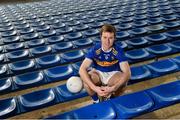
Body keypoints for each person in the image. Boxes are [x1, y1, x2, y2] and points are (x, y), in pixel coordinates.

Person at [79, 24, 131, 103]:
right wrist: (94, 88)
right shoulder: (95, 49)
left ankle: (111, 99)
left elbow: (127, 73)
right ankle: (96, 100)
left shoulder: (118, 51)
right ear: (101, 37)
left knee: (123, 83)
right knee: (86, 81)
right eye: (105, 37)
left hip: (113, 74)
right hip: (98, 73)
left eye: (110, 38)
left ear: (114, 38)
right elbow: (81, 69)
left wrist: (114, 88)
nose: (107, 41)